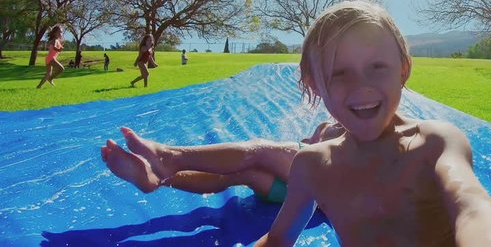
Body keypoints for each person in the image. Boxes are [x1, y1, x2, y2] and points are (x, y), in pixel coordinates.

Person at [254, 1, 491, 246]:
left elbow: (475, 208)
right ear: (314, 85)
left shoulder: (433, 143)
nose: (361, 86)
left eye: (377, 67)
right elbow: (278, 240)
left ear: (403, 70)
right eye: (339, 73)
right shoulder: (312, 165)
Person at [100, 121, 343, 202]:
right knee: (239, 173)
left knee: (260, 149)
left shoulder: (363, 132)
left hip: (321, 182)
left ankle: (169, 158)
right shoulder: (333, 123)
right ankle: (161, 178)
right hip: (296, 193)